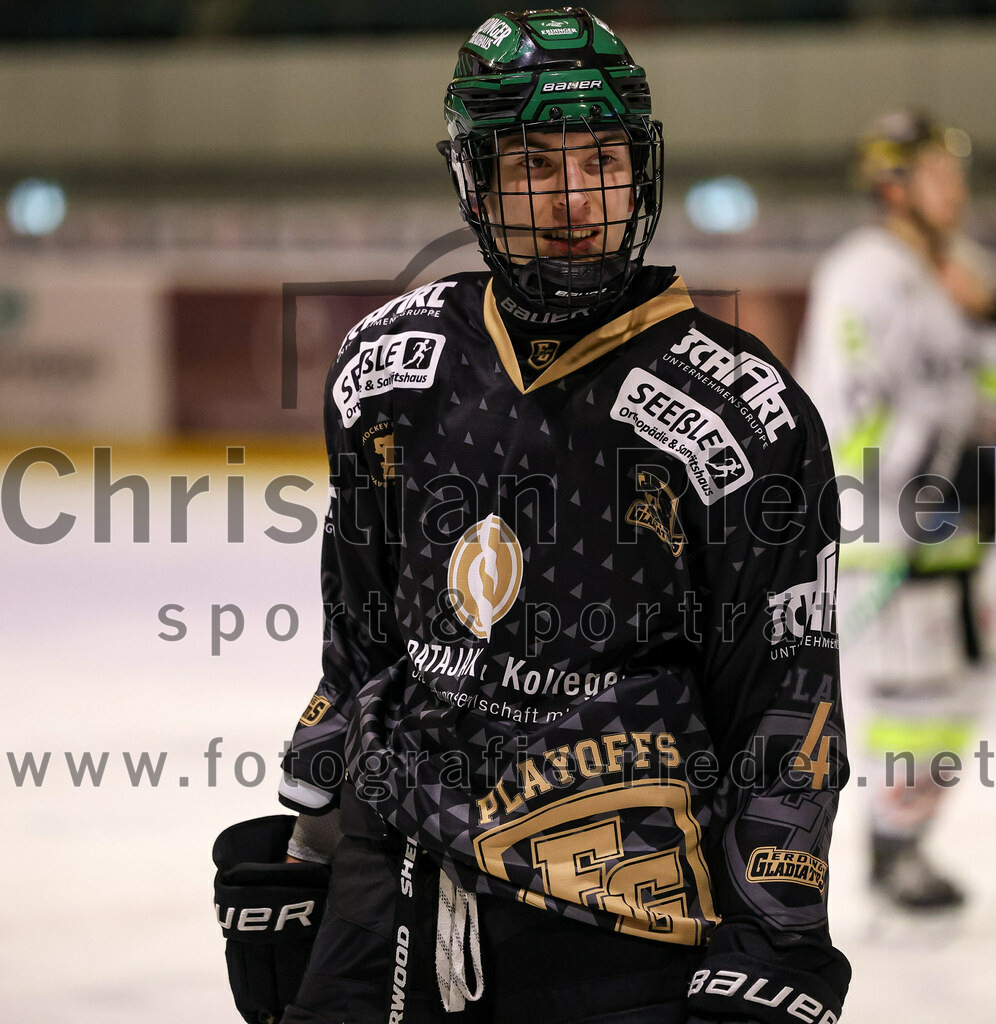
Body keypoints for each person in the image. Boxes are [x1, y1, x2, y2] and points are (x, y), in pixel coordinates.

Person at [214, 9, 851, 1023]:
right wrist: (312, 837)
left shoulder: (735, 411)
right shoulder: (392, 365)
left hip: (619, 913)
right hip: (396, 874)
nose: (574, 199)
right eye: (533, 163)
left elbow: (787, 702)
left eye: (600, 158)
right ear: (472, 178)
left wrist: (774, 936)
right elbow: (362, 638)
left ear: (640, 169)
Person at [796, 110, 996, 912]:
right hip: (891, 529)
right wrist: (925, 485)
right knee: (910, 701)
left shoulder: (967, 269)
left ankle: (904, 839)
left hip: (962, 529)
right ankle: (888, 849)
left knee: (957, 699)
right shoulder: (863, 271)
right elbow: (846, 407)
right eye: (936, 172)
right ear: (893, 184)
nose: (955, 186)